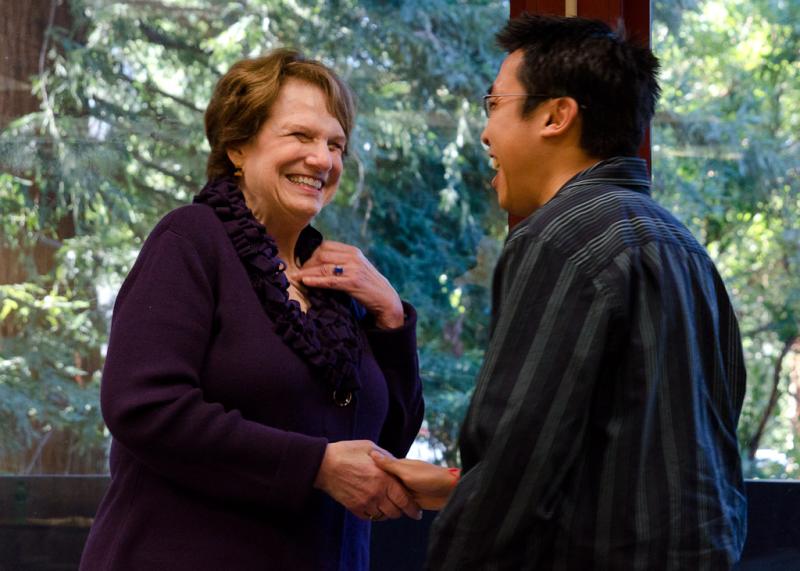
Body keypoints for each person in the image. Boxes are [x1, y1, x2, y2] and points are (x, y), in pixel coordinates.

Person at [373, 14, 747, 570]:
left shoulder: (559, 238)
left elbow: (516, 458)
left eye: (494, 104)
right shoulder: (682, 245)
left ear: (555, 115)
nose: (485, 133)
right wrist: (457, 485)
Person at [80, 49, 424, 571]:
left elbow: (384, 449)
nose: (322, 160)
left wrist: (392, 318)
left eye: (335, 144)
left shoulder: (338, 282)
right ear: (238, 146)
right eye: (300, 136)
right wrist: (316, 465)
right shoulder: (190, 239)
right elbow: (143, 405)